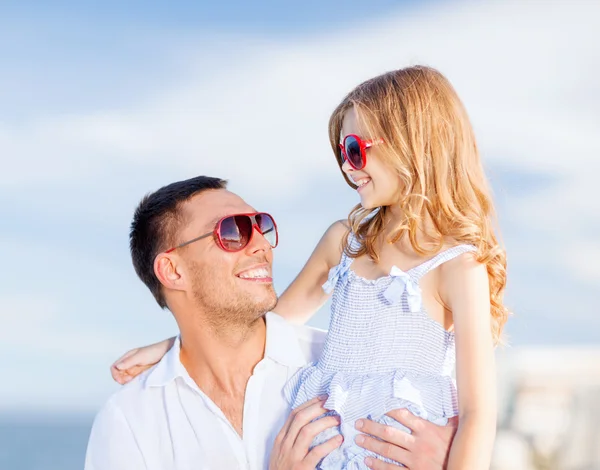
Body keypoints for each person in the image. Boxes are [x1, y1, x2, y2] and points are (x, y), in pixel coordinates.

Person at [113, 65, 508, 469]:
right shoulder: (345, 242)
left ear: (412, 143)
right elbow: (266, 328)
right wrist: (176, 347)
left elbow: (479, 413)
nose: (347, 167)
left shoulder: (458, 266)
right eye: (341, 154)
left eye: (355, 149)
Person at [85, 175, 457, 470]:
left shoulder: (347, 370)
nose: (261, 244)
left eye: (259, 225)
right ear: (172, 270)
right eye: (232, 232)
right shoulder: (130, 420)